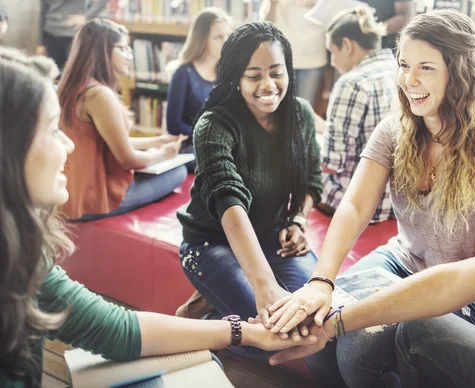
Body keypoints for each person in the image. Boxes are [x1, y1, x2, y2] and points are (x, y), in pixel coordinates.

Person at [267, 12, 475, 388]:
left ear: (459, 75)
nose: (410, 79)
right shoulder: (395, 130)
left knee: (360, 347)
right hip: (407, 261)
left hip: (473, 295)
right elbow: (355, 207)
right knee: (324, 334)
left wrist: (367, 311)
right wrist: (321, 282)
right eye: (404, 65)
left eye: (425, 67)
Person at [0, 54, 318, 387]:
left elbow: (115, 330)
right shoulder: (216, 124)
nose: (68, 144)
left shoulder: (24, 258)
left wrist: (244, 331)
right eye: (53, 129)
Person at [176, 21, 323, 365]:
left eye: (276, 72)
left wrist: (297, 221)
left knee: (313, 316)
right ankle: (193, 320)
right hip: (210, 243)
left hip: (271, 236)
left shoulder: (299, 114)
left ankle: (210, 299)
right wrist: (264, 287)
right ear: (235, 78)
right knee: (271, 337)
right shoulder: (214, 124)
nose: (268, 85)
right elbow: (230, 202)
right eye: (253, 75)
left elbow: (312, 181)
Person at [58, 19, 188, 221]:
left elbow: (107, 141)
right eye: (124, 49)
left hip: (71, 192)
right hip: (93, 199)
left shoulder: (73, 87)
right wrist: (164, 154)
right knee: (179, 171)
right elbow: (128, 160)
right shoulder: (99, 95)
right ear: (103, 50)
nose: (130, 56)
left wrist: (155, 141)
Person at [319, 6, 397, 223]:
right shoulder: (398, 70)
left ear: (346, 45)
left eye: (331, 52)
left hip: (360, 205)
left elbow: (331, 163)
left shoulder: (352, 83)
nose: (332, 61)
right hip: (399, 204)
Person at [166, 7, 232, 172]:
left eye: (227, 36)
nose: (225, 42)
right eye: (218, 37)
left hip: (220, 145)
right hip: (191, 148)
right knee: (221, 165)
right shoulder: (183, 73)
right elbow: (174, 125)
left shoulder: (226, 74)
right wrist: (210, 135)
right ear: (202, 39)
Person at [260, 0, 328, 107]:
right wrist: (273, 3)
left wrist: (316, 4)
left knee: (304, 109)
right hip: (283, 58)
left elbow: (332, 13)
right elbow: (267, 25)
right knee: (280, 107)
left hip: (313, 57)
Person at [38, 0, 108, 70]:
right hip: (50, 31)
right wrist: (40, 41)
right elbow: (42, 8)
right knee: (55, 72)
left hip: (72, 33)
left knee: (76, 71)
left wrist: (87, 17)